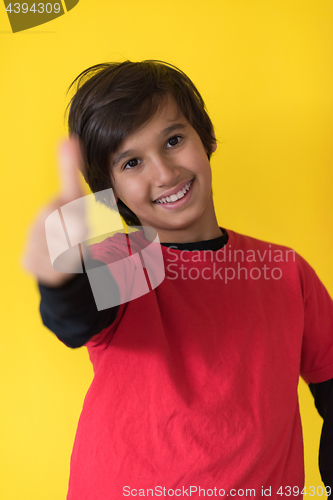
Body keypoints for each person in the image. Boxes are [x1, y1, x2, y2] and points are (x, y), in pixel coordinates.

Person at [23, 61, 333, 499]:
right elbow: (76, 314)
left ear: (204, 139)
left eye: (173, 140)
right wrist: (59, 282)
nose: (165, 173)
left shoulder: (285, 270)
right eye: (132, 162)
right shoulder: (131, 260)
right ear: (109, 190)